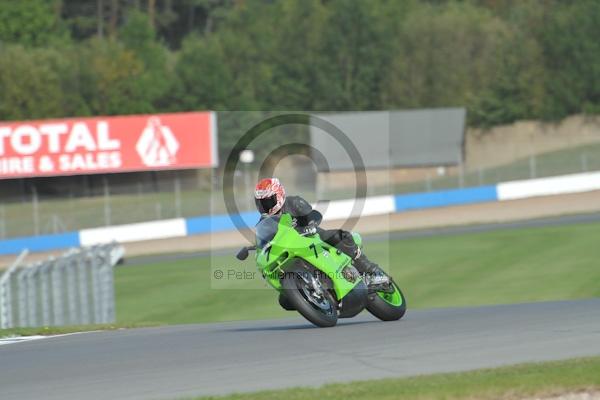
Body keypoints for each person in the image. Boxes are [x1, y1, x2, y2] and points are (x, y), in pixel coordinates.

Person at [253, 177, 389, 287]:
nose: (265, 206)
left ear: (279, 194)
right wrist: (258, 248)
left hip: (313, 237)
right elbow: (264, 240)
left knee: (342, 237)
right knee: (284, 301)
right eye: (261, 203)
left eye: (268, 201)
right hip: (291, 249)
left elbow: (312, 215)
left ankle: (371, 271)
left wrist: (310, 225)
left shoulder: (294, 202)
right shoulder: (263, 223)